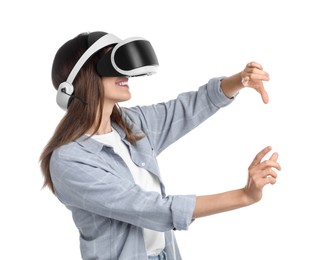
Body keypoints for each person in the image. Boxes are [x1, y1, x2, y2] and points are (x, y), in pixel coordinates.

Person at [39, 31, 281, 260]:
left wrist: (240, 80)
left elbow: (190, 107)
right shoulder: (70, 160)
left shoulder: (132, 125)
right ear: (84, 78)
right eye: (111, 65)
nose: (126, 74)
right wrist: (244, 195)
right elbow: (151, 208)